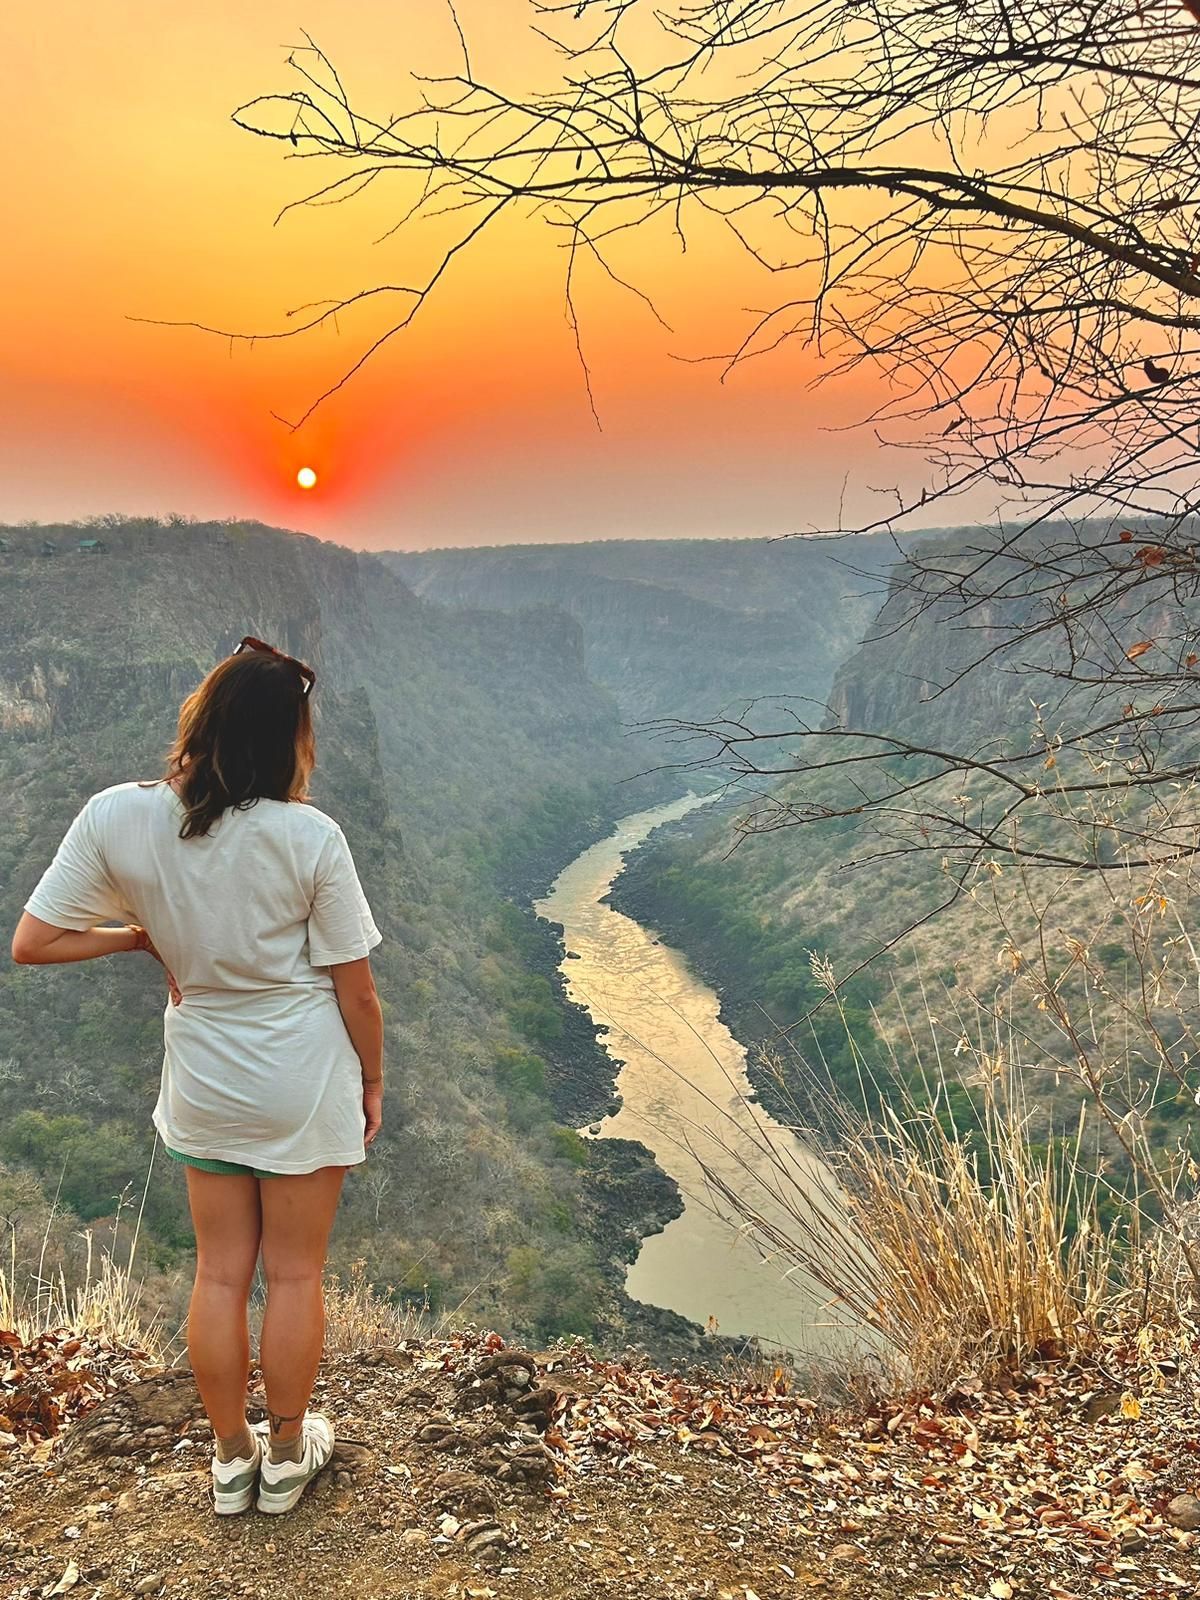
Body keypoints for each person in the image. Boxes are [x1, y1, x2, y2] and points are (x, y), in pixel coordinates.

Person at [10, 634, 385, 1518]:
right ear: (288, 738)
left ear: (204, 718)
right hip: (300, 1076)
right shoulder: (309, 836)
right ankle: (288, 1454)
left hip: (206, 1075)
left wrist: (138, 934)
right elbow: (357, 993)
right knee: (294, 1276)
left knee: (219, 1274)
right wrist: (371, 1081)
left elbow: (34, 943)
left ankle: (228, 1460)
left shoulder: (117, 815)